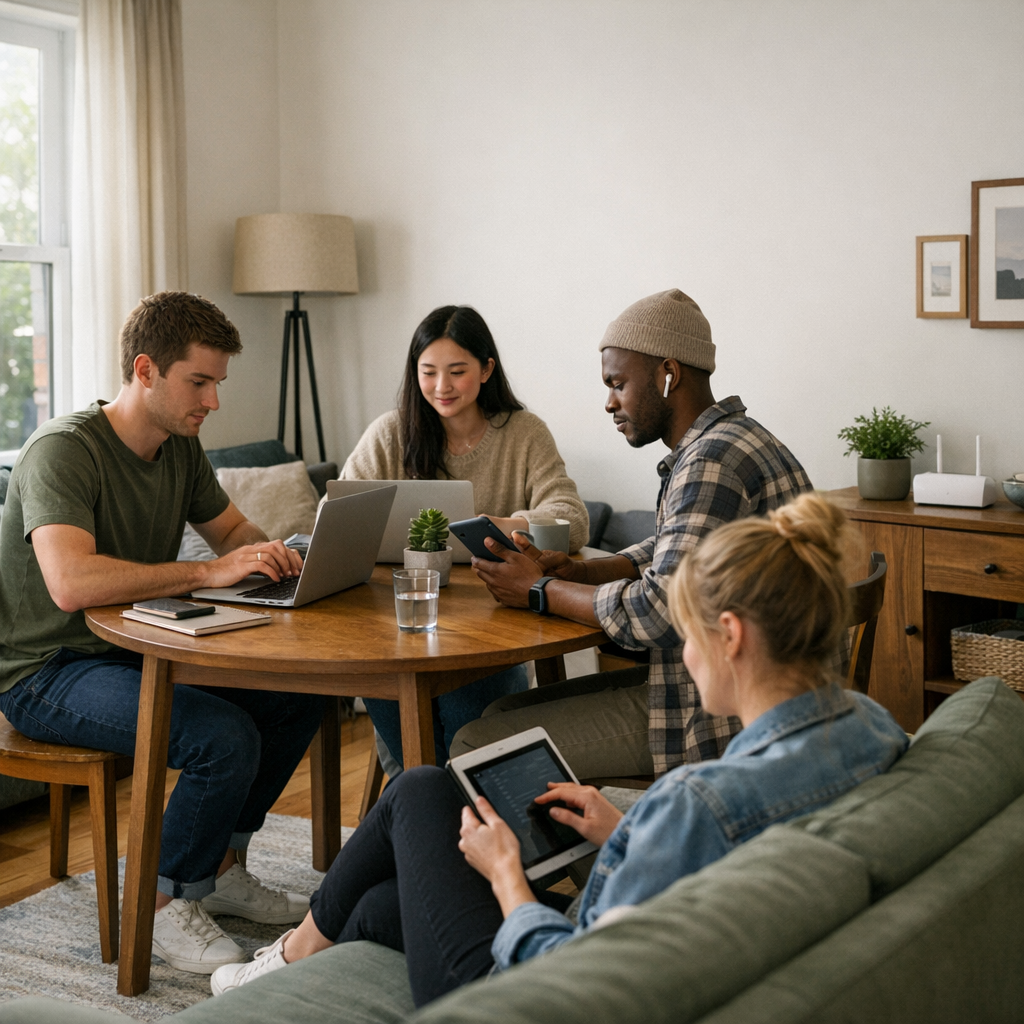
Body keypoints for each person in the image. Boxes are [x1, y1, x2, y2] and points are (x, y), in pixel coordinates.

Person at [209, 492, 909, 1007]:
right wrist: (624, 830)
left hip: (523, 996)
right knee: (382, 904)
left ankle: (282, 963)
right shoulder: (871, 727)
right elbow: (716, 860)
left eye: (687, 636)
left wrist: (510, 878)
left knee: (419, 791)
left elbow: (577, 985)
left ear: (731, 636)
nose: (685, 656)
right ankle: (296, 967)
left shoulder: (695, 803)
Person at [0, 293, 325, 974]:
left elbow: (232, 530)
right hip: (46, 669)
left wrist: (265, 554)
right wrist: (202, 576)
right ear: (145, 370)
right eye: (198, 382)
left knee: (298, 695)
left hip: (133, 648)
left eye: (217, 384)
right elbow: (72, 583)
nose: (212, 401)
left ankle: (221, 868)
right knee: (219, 735)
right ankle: (159, 904)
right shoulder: (62, 451)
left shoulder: (180, 446)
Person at [452, 288, 813, 780]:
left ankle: (576, 857)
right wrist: (581, 570)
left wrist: (539, 590)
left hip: (719, 716)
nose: (609, 403)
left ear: (669, 373)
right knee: (499, 716)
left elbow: (659, 611)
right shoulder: (739, 439)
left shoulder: (710, 462)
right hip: (760, 689)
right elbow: (679, 549)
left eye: (617, 384)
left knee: (478, 742)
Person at [340, 304, 589, 770]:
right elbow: (336, 518)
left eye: (457, 371)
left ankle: (452, 797)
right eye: (428, 372)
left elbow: (571, 520)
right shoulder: (391, 433)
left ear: (487, 368)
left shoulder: (524, 433)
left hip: (490, 628)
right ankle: (427, 799)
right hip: (400, 625)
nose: (441, 386)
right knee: (389, 693)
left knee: (464, 719)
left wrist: (491, 526)